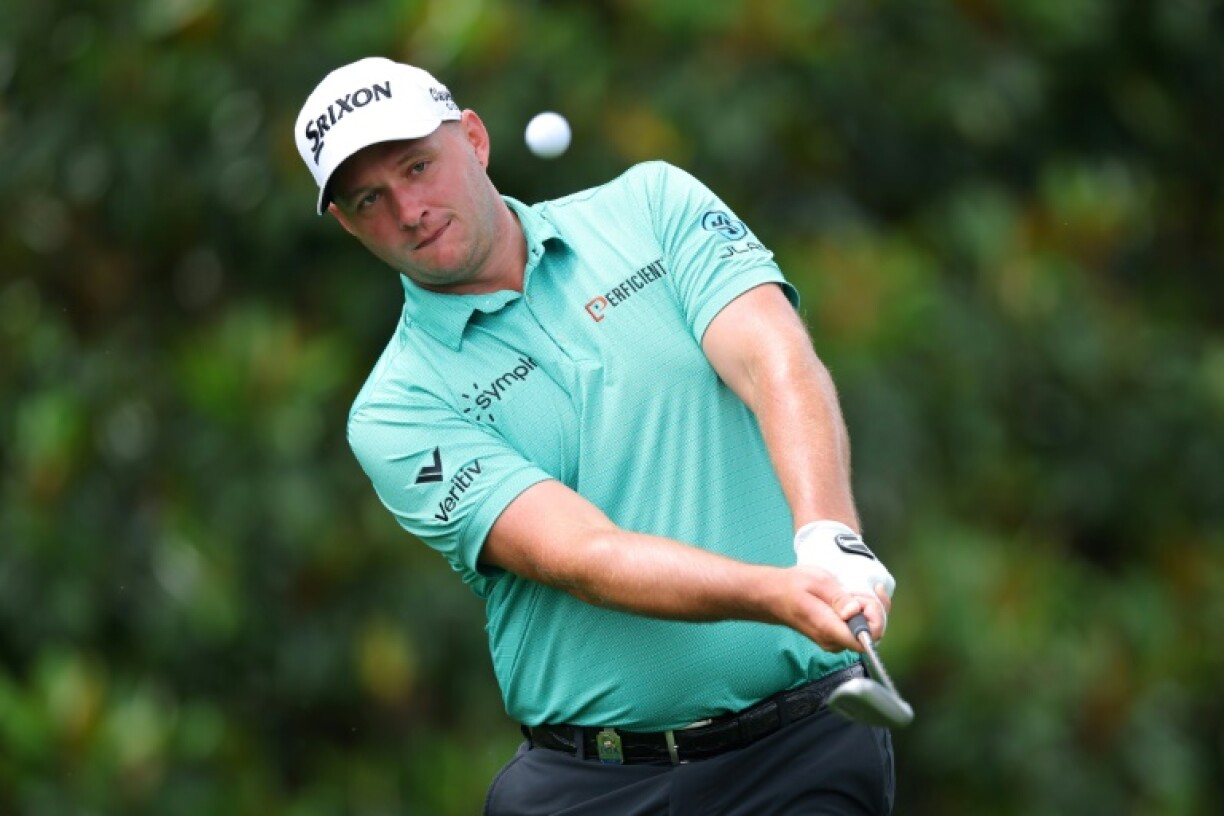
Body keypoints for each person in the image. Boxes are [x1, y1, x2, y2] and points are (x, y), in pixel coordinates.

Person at [294, 56, 899, 815]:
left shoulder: (650, 205)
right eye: (370, 199)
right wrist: (777, 592)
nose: (409, 209)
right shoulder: (396, 407)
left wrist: (828, 536)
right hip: (593, 789)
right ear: (348, 223)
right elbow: (583, 555)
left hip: (801, 753)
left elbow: (774, 359)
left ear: (474, 140)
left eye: (419, 167)